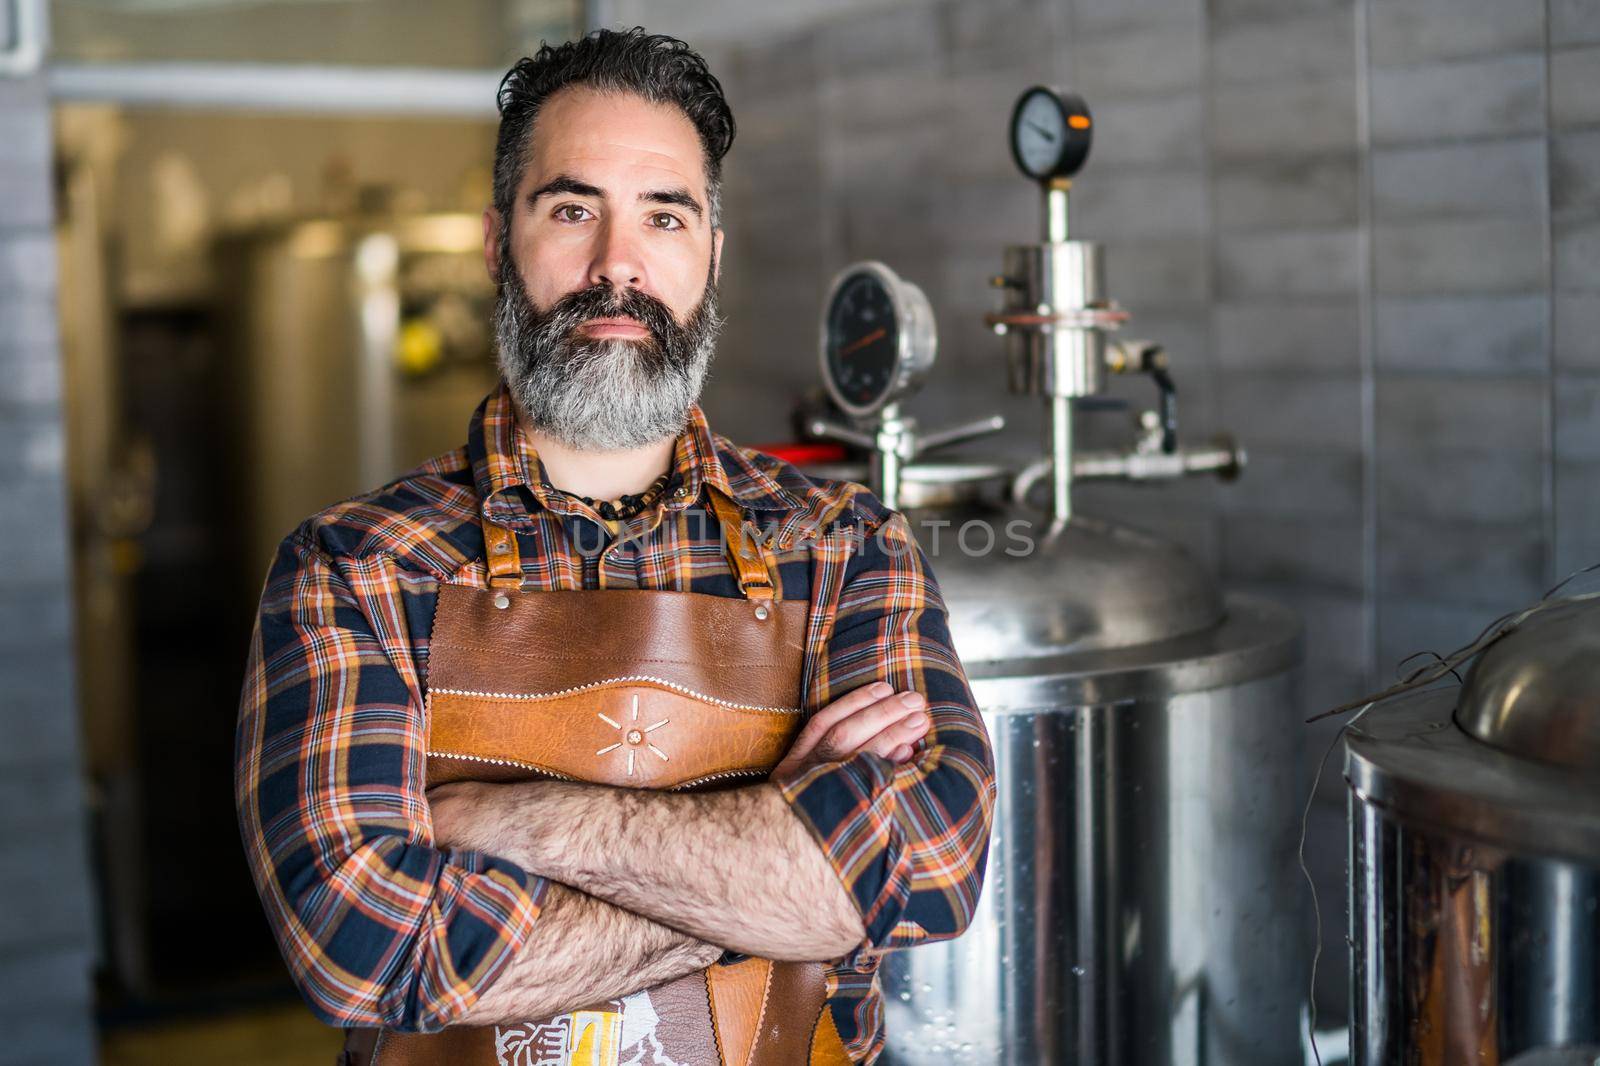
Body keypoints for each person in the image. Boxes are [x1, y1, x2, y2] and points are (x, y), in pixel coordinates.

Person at [235, 27, 994, 1066]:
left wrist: (521, 824)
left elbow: (934, 866)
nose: (617, 266)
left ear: (710, 254)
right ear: (499, 242)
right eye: (571, 208)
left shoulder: (843, 546)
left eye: (664, 214)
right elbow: (372, 952)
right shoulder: (360, 568)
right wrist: (781, 866)